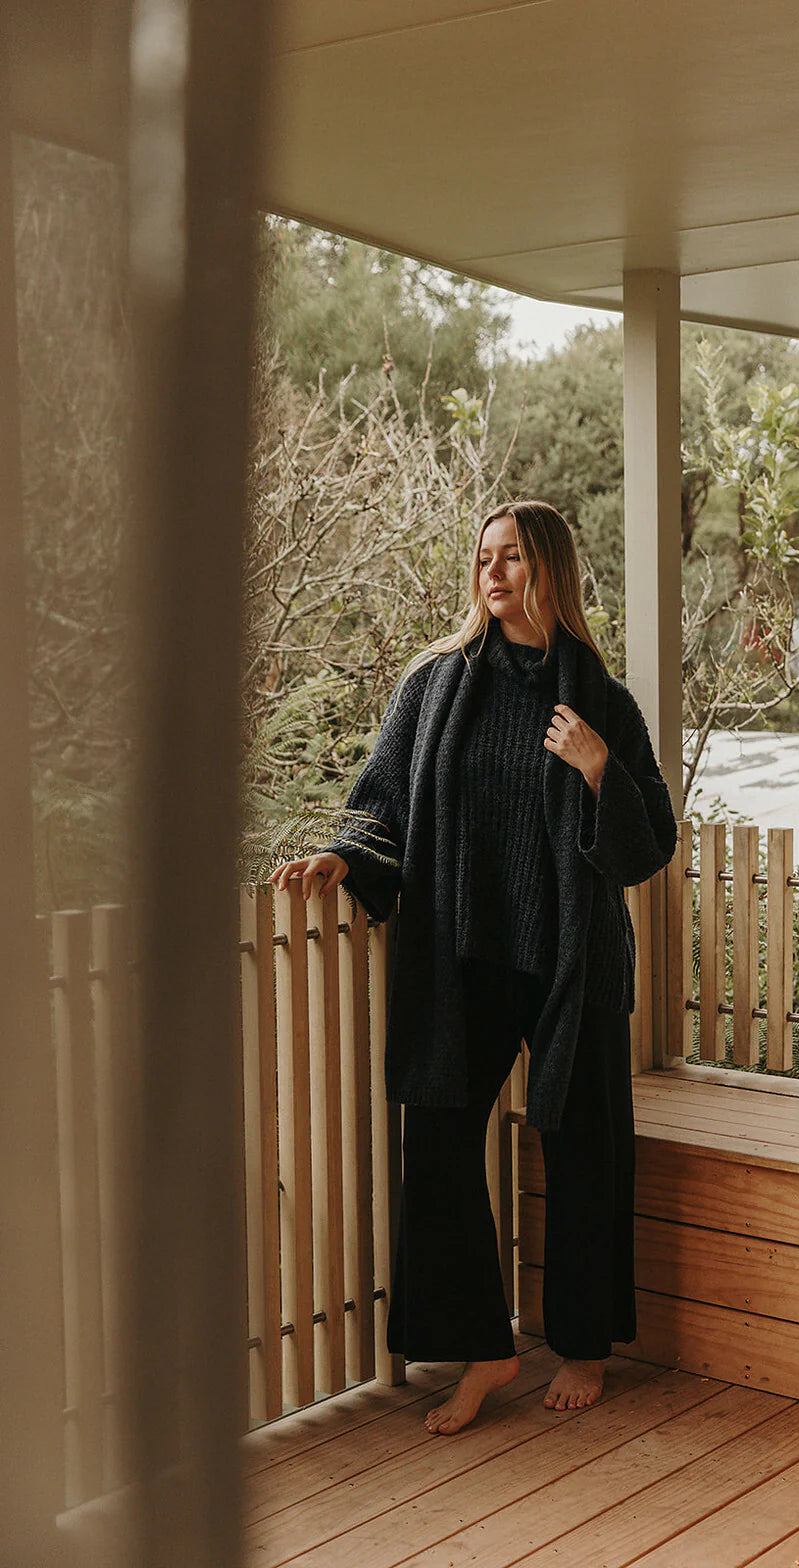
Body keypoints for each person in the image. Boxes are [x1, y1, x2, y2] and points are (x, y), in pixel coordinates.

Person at [269, 500, 677, 1435]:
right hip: (462, 955)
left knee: (583, 1147)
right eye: (484, 558)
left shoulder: (602, 701)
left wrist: (599, 769)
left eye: (513, 558)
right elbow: (383, 801)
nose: (493, 574)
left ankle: (582, 1345)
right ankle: (483, 1350)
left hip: (570, 958)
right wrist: (345, 859)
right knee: (439, 1146)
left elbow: (649, 843)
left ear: (550, 571)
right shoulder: (434, 684)